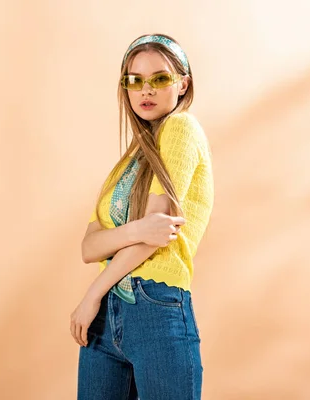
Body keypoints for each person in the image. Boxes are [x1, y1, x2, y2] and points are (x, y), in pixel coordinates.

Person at [71, 34, 214, 400]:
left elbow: (157, 236)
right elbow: (89, 247)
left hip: (155, 306)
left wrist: (92, 294)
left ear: (183, 84)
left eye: (160, 78)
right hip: (106, 319)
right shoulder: (128, 162)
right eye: (134, 80)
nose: (145, 90)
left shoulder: (180, 128)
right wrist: (138, 229)